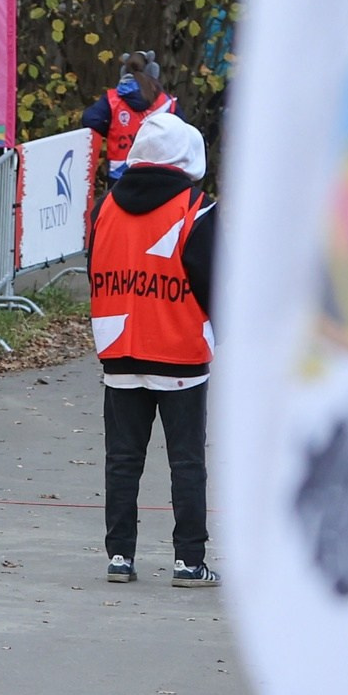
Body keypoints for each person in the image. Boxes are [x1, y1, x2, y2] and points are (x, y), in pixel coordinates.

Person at [87, 109, 218, 589]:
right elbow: (215, 283)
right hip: (179, 349)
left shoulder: (105, 207)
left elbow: (94, 266)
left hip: (119, 347)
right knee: (187, 462)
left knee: (122, 461)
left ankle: (120, 556)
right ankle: (189, 561)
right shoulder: (197, 208)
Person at [81, 52, 175, 204]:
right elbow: (183, 132)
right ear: (153, 71)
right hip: (159, 173)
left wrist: (112, 130)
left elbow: (89, 119)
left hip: (120, 176)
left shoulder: (113, 99)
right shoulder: (166, 102)